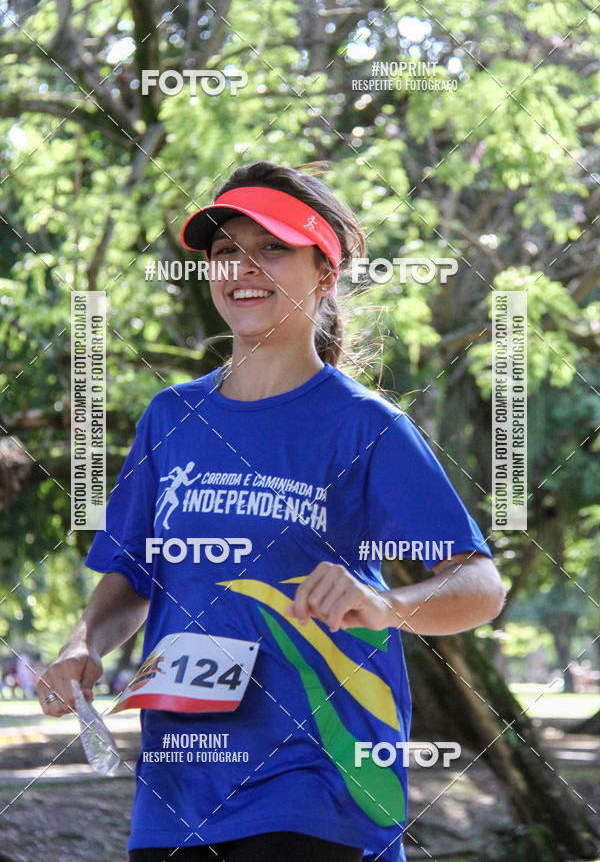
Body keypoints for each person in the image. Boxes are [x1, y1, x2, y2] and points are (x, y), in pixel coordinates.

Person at [36, 161, 506, 862]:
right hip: (176, 792)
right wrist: (83, 645)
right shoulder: (172, 418)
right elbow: (132, 572)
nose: (242, 267)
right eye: (227, 251)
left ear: (324, 273)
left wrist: (384, 603)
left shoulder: (363, 425)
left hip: (318, 782)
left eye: (273, 248)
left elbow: (481, 586)